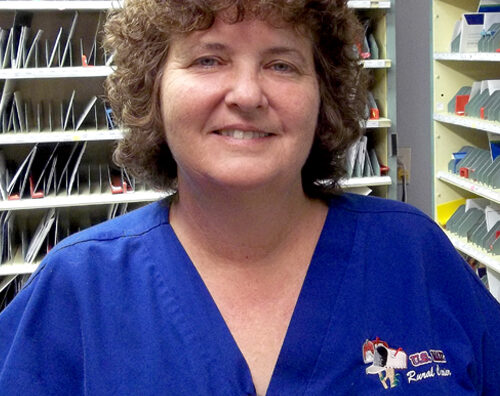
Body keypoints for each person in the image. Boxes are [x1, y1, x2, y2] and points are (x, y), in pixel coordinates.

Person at [0, 0, 499, 394]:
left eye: (281, 64)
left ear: (322, 94)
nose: (246, 94)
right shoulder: (75, 290)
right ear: (152, 89)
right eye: (208, 58)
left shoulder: (415, 256)